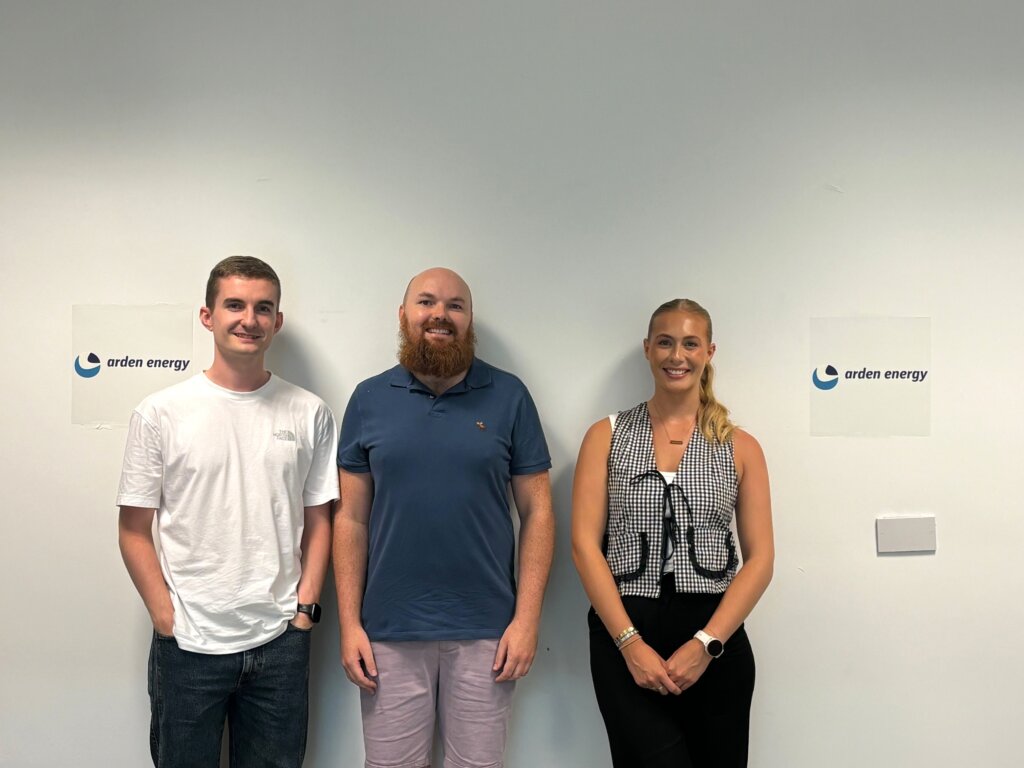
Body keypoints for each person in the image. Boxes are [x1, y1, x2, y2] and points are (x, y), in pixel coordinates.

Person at [117, 256, 339, 767]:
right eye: (234, 305)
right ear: (207, 315)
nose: (249, 319)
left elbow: (320, 519)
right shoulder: (160, 413)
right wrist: (165, 617)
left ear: (277, 321)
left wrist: (304, 609)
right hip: (189, 644)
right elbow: (133, 530)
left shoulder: (310, 412)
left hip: (280, 640)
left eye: (264, 308)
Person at [335, 267, 555, 768]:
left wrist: (527, 619)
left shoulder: (509, 395)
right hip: (387, 630)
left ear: (470, 319)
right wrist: (349, 624)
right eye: (426, 302)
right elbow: (350, 519)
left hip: (488, 632)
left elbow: (538, 511)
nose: (440, 314)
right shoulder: (368, 400)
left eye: (455, 305)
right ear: (403, 315)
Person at [572, 298, 774, 767]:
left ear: (709, 352)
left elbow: (761, 559)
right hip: (624, 633)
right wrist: (629, 643)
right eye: (664, 342)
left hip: (714, 635)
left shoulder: (740, 447)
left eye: (689, 343)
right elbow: (585, 546)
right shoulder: (606, 435)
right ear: (647, 349)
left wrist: (706, 645)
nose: (676, 355)